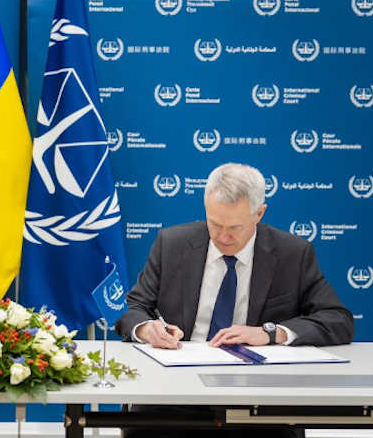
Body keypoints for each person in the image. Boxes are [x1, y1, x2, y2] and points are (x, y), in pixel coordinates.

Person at [115, 162, 354, 438]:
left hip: (258, 399)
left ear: (259, 214)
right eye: (214, 224)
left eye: (235, 227)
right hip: (174, 394)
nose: (223, 237)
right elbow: (133, 308)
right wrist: (147, 329)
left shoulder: (293, 254)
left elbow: (338, 319)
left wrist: (270, 333)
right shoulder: (172, 244)